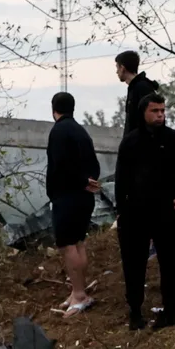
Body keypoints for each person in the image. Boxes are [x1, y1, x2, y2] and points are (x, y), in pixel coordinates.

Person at [115, 93, 175, 331]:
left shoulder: (173, 139)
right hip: (135, 212)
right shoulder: (131, 142)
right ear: (143, 113)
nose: (160, 115)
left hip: (164, 209)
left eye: (163, 111)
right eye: (155, 111)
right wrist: (121, 211)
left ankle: (171, 310)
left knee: (168, 262)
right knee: (134, 263)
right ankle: (135, 311)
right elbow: (121, 181)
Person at [46, 91, 103, 318]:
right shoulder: (81, 131)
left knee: (67, 245)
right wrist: (88, 181)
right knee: (78, 243)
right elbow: (94, 165)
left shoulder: (58, 131)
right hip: (83, 197)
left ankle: (80, 295)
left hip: (67, 196)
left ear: (54, 110)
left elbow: (61, 165)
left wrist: (79, 182)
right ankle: (76, 291)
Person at [116, 51, 160, 135]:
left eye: (117, 68)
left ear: (122, 68)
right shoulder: (134, 88)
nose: (116, 72)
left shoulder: (142, 88)